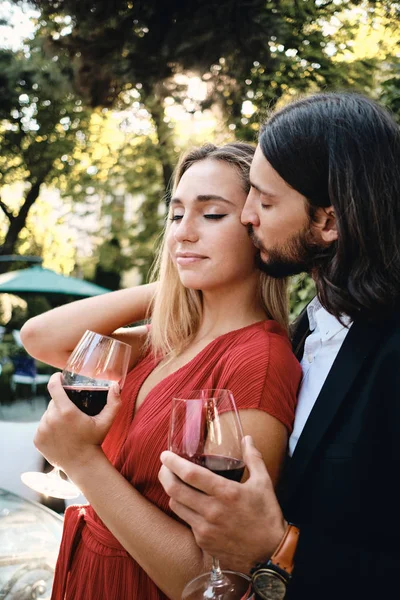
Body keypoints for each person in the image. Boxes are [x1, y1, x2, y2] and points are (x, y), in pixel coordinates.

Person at [21, 142, 301, 600]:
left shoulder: (259, 363)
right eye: (175, 216)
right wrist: (176, 277)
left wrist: (82, 460)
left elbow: (206, 577)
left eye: (211, 215)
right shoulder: (165, 339)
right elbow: (40, 337)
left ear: (258, 226)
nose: (183, 233)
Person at [158, 92, 400, 600]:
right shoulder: (305, 333)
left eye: (265, 202)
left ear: (328, 223)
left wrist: (277, 547)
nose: (247, 216)